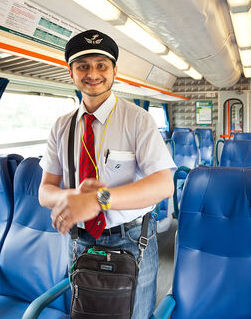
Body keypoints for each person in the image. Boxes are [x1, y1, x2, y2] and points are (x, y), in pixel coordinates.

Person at [38, 29, 175, 318]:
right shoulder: (61, 127)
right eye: (83, 66)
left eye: (101, 65)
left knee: (134, 313)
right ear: (71, 72)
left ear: (114, 71)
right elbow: (45, 190)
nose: (93, 73)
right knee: (85, 312)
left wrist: (99, 199)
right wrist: (75, 196)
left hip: (132, 238)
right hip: (80, 239)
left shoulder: (138, 119)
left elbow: (164, 185)